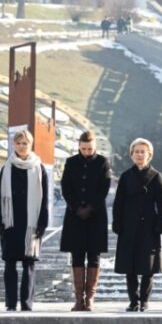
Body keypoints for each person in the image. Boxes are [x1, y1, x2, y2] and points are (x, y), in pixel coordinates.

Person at [0, 129, 49, 312]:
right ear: (13, 145)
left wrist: (43, 223)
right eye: (18, 143)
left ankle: (27, 303)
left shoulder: (39, 168)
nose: (21, 146)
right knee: (10, 264)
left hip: (31, 222)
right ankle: (10, 303)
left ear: (30, 144)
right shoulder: (6, 168)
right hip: (11, 222)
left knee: (29, 264)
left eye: (25, 143)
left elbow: (45, 198)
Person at [59, 131, 111, 312]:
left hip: (96, 215)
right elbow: (65, 187)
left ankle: (89, 299)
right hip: (75, 215)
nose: (86, 152)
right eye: (83, 148)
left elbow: (104, 188)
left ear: (95, 146)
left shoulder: (102, 162)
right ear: (78, 146)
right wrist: (76, 207)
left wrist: (90, 207)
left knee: (94, 256)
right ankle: (78, 299)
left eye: (89, 148)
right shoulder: (71, 162)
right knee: (77, 255)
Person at [114, 138, 162, 312]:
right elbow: (118, 202)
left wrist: (160, 225)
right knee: (130, 266)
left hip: (149, 228)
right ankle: (133, 300)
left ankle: (144, 300)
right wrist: (117, 222)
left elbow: (161, 203)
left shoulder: (156, 176)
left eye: (143, 151)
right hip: (129, 226)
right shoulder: (126, 176)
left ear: (149, 155)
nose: (139, 154)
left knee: (147, 267)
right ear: (131, 154)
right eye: (136, 151)